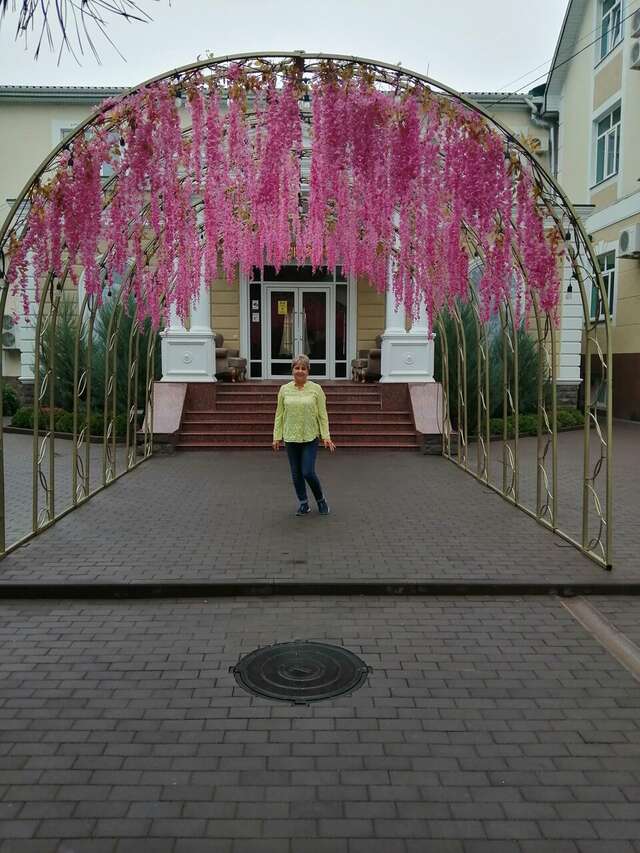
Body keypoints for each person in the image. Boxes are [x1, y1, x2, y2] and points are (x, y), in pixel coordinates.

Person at [272, 355, 336, 516]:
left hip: (310, 436)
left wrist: (326, 436)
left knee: (307, 471)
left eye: (303, 368)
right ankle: (303, 504)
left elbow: (323, 414)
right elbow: (279, 414)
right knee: (296, 472)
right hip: (290, 437)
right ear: (292, 370)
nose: (300, 371)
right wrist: (276, 436)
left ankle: (321, 500)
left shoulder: (316, 389)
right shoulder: (284, 389)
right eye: (297, 368)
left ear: (308, 371)